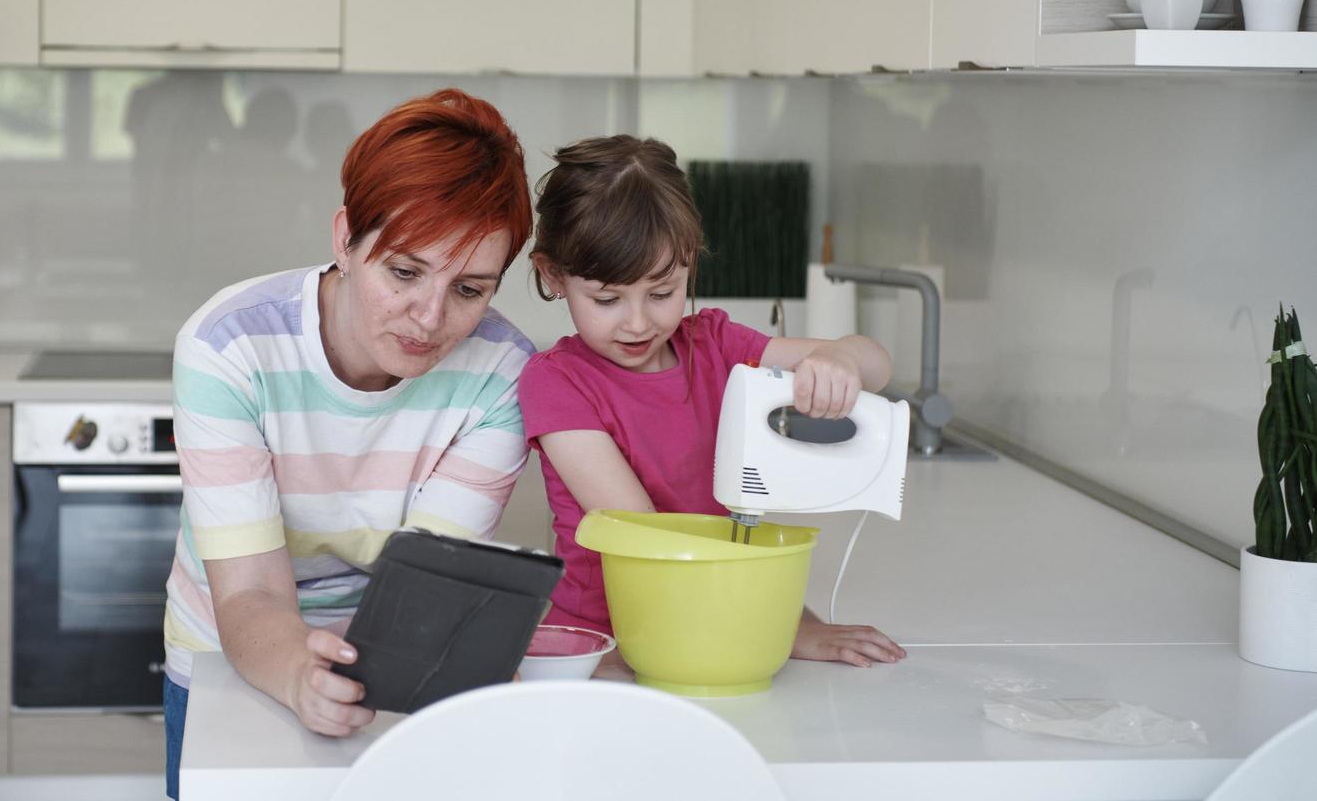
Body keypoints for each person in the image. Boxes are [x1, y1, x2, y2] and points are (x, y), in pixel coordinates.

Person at [161, 89, 536, 798]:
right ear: (345, 238)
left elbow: (424, 590)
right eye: (404, 272)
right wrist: (303, 672)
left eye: (471, 289)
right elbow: (250, 595)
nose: (429, 318)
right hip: (232, 659)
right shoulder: (229, 346)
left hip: (400, 664)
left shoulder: (504, 373)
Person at [518, 135, 906, 668]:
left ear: (689, 265)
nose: (638, 322)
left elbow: (877, 364)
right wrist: (781, 628)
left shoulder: (717, 346)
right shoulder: (556, 382)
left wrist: (842, 359)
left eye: (662, 292)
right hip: (608, 641)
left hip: (723, 607)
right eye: (607, 299)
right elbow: (643, 535)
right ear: (552, 276)